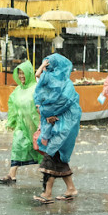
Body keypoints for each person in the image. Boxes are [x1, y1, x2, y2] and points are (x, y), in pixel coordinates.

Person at [33, 54, 82, 204]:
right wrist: (47, 114)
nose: (47, 70)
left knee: (50, 157)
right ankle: (71, 189)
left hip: (63, 126)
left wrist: (51, 114)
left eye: (49, 66)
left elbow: (65, 102)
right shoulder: (50, 83)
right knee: (58, 158)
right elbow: (38, 79)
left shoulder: (65, 85)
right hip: (55, 125)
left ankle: (47, 193)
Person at [0, 61, 42, 184]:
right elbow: (12, 107)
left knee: (41, 150)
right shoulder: (17, 90)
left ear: (29, 74)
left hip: (36, 126)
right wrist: (11, 122)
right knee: (17, 145)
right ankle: (11, 174)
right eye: (19, 74)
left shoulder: (36, 88)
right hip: (22, 126)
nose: (21, 76)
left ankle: (46, 174)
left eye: (23, 73)